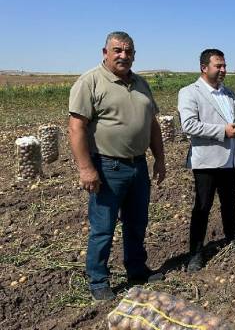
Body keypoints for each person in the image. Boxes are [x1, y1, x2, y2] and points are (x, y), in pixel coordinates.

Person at [68, 31, 166, 301]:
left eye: (129, 51)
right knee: (103, 227)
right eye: (118, 50)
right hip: (107, 166)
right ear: (105, 52)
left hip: (138, 166)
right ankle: (98, 279)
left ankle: (136, 268)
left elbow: (153, 124)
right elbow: (76, 128)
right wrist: (86, 168)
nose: (124, 55)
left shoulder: (141, 83)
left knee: (137, 222)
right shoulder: (90, 82)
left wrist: (159, 158)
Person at [178, 49, 235, 272]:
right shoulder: (190, 93)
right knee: (203, 207)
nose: (224, 70)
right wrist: (223, 131)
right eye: (219, 66)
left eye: (224, 65)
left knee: (230, 202)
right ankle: (196, 252)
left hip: (230, 159)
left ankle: (233, 237)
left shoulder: (229, 94)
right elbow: (189, 125)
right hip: (206, 161)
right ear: (204, 68)